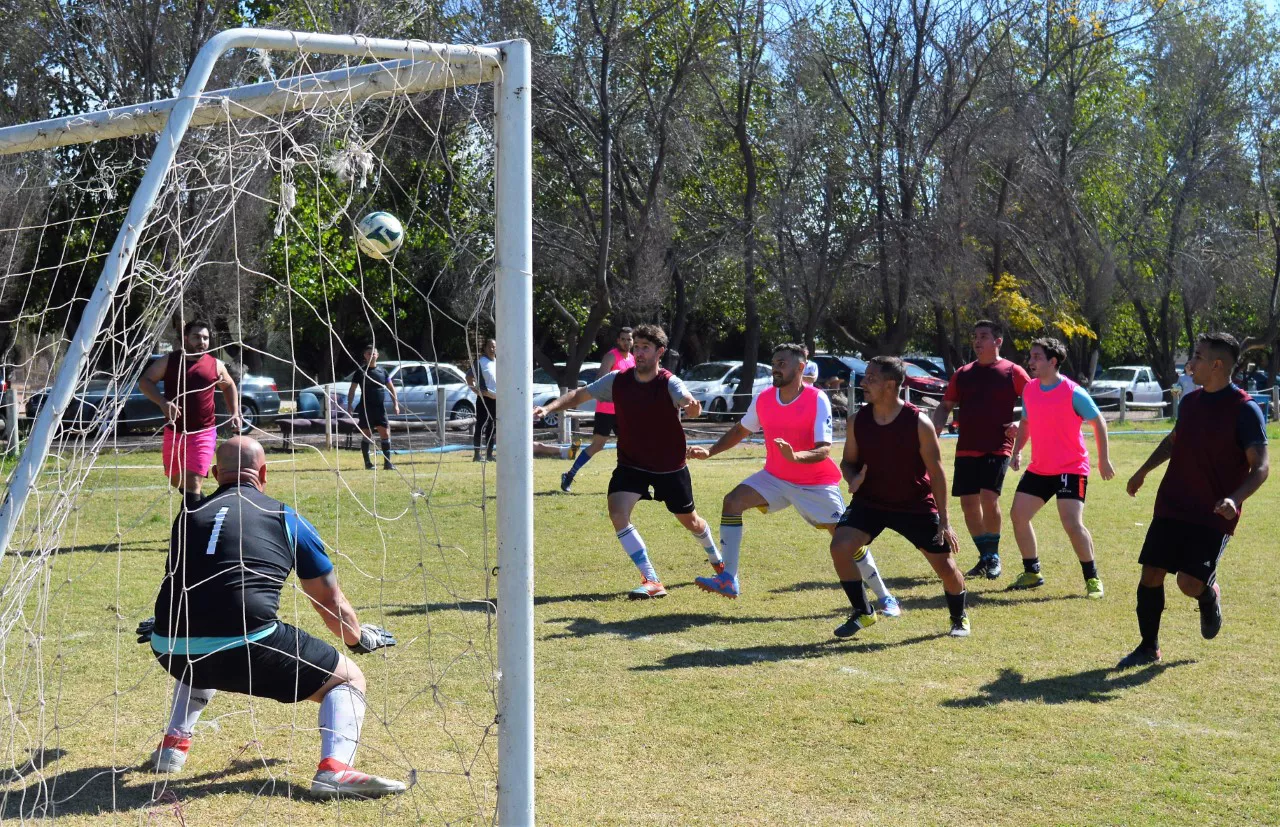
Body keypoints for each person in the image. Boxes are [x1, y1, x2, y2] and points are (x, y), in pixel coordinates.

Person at [147, 436, 404, 798]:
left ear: (216, 473)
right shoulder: (285, 516)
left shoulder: (188, 516)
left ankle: (173, 746)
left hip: (169, 648)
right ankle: (334, 770)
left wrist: (159, 626)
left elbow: (185, 581)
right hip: (246, 647)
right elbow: (330, 601)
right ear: (263, 473)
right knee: (348, 679)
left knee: (202, 648)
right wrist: (356, 638)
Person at [687, 344, 899, 615]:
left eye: (783, 363)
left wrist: (795, 456)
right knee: (733, 501)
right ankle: (728, 579)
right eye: (774, 362)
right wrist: (710, 451)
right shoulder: (764, 398)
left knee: (846, 541)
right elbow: (742, 428)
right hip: (775, 477)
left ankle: (884, 596)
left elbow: (824, 449)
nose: (776, 367)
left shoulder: (816, 398)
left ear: (800, 367)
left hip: (816, 483)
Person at [533, 324, 723, 598]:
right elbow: (580, 394)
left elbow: (687, 401)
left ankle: (716, 559)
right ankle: (652, 580)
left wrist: (692, 407)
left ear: (660, 352)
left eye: (646, 348)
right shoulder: (617, 380)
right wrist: (548, 407)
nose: (639, 352)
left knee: (690, 521)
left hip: (669, 466)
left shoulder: (669, 382)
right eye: (636, 347)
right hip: (632, 462)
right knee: (618, 513)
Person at [1119, 333, 1269, 667]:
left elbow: (1260, 467)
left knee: (1189, 583)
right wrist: (1143, 470)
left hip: (1213, 512)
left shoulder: (1244, 410)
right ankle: (1148, 647)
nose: (1191, 363)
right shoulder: (1190, 402)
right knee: (1151, 573)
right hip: (1173, 502)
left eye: (1197, 357)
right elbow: (1174, 441)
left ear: (1217, 364)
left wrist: (1234, 499)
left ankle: (1208, 592)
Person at [831, 356, 969, 638]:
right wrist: (852, 477)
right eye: (865, 376)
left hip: (914, 505)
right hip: (871, 502)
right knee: (839, 546)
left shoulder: (919, 422)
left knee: (945, 567)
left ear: (891, 385)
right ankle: (863, 612)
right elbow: (848, 462)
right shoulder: (858, 420)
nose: (864, 382)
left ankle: (959, 616)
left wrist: (945, 520)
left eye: (871, 378)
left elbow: (938, 473)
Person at [1008, 338, 1114, 597]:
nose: (1031, 362)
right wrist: (1017, 451)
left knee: (1071, 523)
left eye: (1037, 357)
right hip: (1040, 468)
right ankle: (1032, 572)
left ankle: (1092, 578)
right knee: (1018, 515)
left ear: (1053, 361)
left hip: (1071, 468)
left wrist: (1104, 460)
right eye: (1031, 356)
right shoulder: (1030, 390)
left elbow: (1099, 422)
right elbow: (1026, 424)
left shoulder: (1073, 392)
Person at [931, 320, 1030, 580]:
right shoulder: (963, 374)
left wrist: (1020, 424)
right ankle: (985, 556)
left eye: (983, 336)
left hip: (998, 445)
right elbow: (945, 406)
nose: (977, 341)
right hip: (967, 447)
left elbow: (1037, 403)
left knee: (989, 498)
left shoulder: (1013, 372)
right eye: (975, 336)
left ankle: (994, 555)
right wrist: (932, 432)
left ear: (997, 341)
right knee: (968, 505)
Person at [139, 320, 241, 508]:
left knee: (193, 482)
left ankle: (189, 529)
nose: (201, 342)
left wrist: (235, 412)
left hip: (203, 433)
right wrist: (163, 402)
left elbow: (229, 386)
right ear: (186, 338)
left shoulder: (216, 365)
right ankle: (207, 508)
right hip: (174, 432)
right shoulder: (170, 361)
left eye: (205, 338)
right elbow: (145, 382)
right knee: (177, 480)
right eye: (196, 337)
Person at [561, 327, 634, 492]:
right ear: (618, 340)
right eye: (623, 339)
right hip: (606, 409)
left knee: (629, 446)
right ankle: (569, 475)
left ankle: (632, 482)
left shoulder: (633, 359)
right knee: (598, 445)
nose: (626, 342)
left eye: (629, 339)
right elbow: (600, 379)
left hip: (623, 411)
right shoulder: (611, 356)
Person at [345, 344, 399, 471]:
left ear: (377, 355)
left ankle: (387, 464)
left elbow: (391, 388)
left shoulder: (383, 371)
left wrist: (395, 404)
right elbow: (352, 390)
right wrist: (349, 405)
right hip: (365, 408)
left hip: (380, 409)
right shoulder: (360, 372)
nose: (371, 356)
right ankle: (368, 464)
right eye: (369, 353)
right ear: (365, 355)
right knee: (367, 435)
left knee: (385, 434)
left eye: (373, 353)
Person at [467, 338, 498, 462]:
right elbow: (469, 377)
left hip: (496, 400)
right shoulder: (480, 362)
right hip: (484, 399)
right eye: (490, 346)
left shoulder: (498, 362)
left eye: (494, 346)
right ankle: (477, 455)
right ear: (484, 348)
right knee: (480, 425)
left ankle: (490, 454)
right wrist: (479, 392)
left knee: (492, 426)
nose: (492, 349)